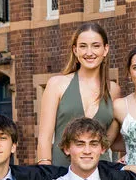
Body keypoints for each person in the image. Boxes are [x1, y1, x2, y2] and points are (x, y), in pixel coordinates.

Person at [37, 22, 121, 167]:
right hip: (61, 172)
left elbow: (109, 141)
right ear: (75, 50)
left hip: (99, 175)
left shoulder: (113, 90)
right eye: (83, 46)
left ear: (105, 49)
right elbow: (44, 137)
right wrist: (45, 172)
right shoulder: (57, 84)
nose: (89, 52)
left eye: (96, 46)